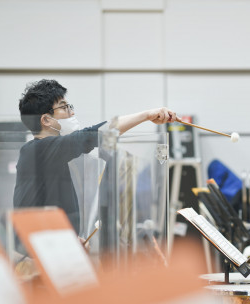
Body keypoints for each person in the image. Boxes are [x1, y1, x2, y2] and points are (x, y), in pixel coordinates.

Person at [13, 79, 178, 234]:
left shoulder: (54, 153)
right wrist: (147, 115)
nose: (72, 112)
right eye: (64, 107)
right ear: (46, 120)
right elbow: (94, 135)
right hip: (33, 256)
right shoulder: (38, 150)